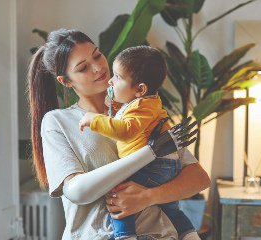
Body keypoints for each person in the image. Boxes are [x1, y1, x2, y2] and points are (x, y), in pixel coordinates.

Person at [27, 28, 210, 240]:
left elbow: (199, 178)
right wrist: (150, 152)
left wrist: (147, 197)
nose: (98, 68)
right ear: (66, 81)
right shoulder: (58, 122)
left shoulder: (140, 107)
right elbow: (76, 191)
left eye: (97, 55)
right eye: (83, 68)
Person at [79, 46, 196, 239]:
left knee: (118, 197)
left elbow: (125, 131)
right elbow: (130, 116)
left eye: (117, 77)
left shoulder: (142, 107)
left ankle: (125, 235)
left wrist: (94, 119)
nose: (110, 80)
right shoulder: (145, 103)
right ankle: (189, 234)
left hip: (152, 166)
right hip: (163, 166)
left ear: (140, 89)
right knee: (172, 209)